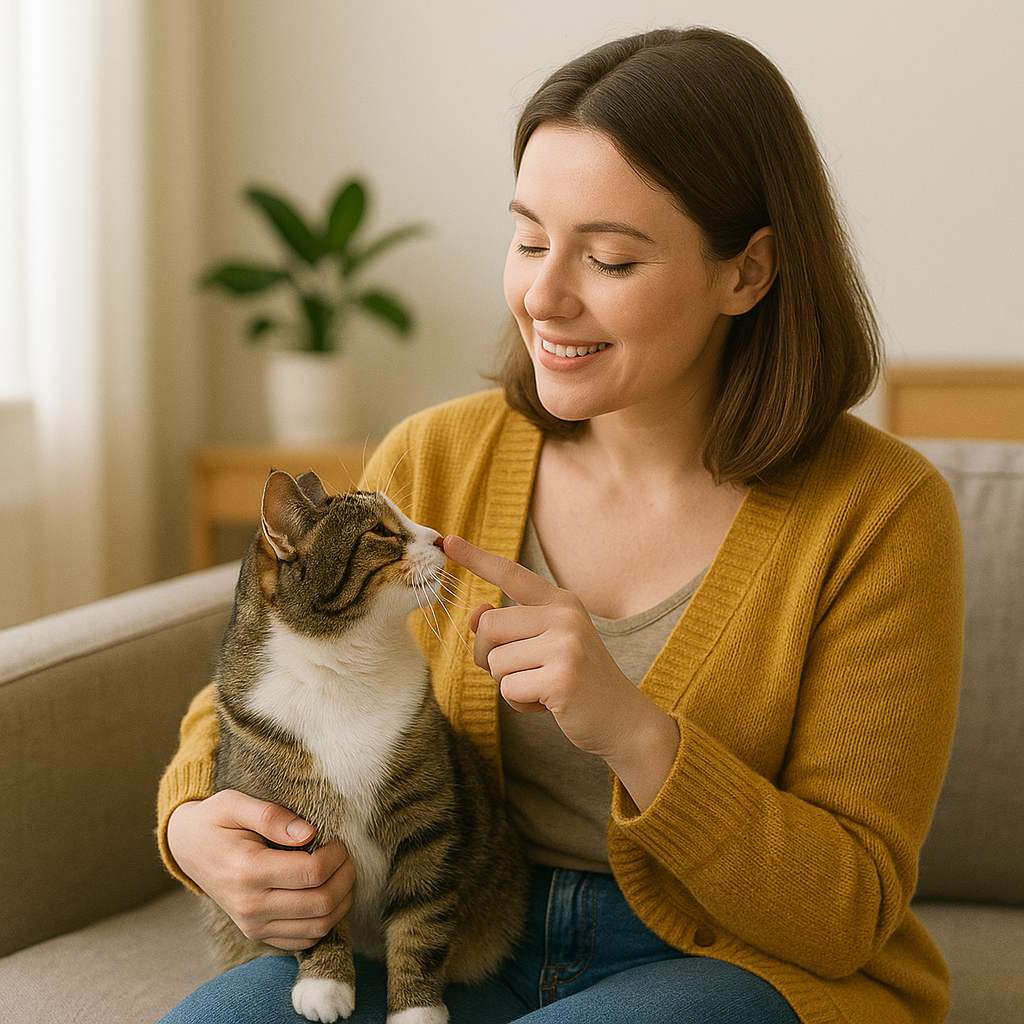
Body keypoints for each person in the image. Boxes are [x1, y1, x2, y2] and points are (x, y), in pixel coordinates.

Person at [157, 26, 963, 1024]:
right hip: (451, 927)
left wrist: (636, 732)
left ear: (746, 273)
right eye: (530, 238)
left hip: (726, 959)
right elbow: (264, 683)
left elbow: (848, 909)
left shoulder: (880, 516)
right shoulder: (431, 463)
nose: (543, 294)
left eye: (610, 257)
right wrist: (194, 823)